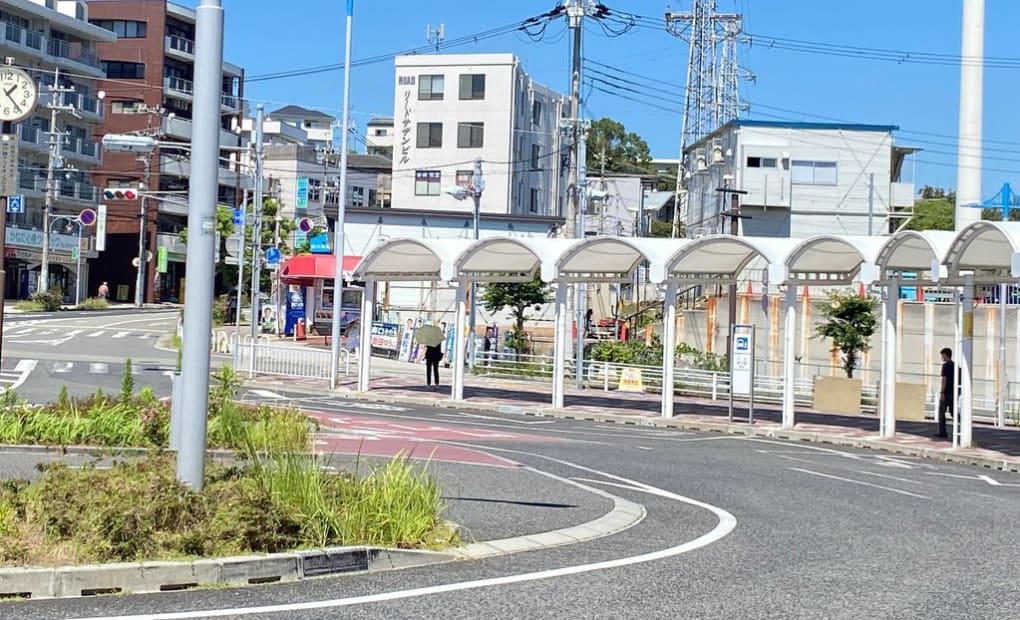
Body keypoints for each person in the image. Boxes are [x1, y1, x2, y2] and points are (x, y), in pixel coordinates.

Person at [936, 347, 955, 438]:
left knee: (941, 412)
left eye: (942, 355)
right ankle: (962, 426)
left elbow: (944, 379)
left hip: (946, 392)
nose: (941, 357)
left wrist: (942, 392)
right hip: (953, 392)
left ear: (945, 355)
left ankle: (943, 432)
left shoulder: (946, 365)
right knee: (953, 411)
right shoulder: (955, 366)